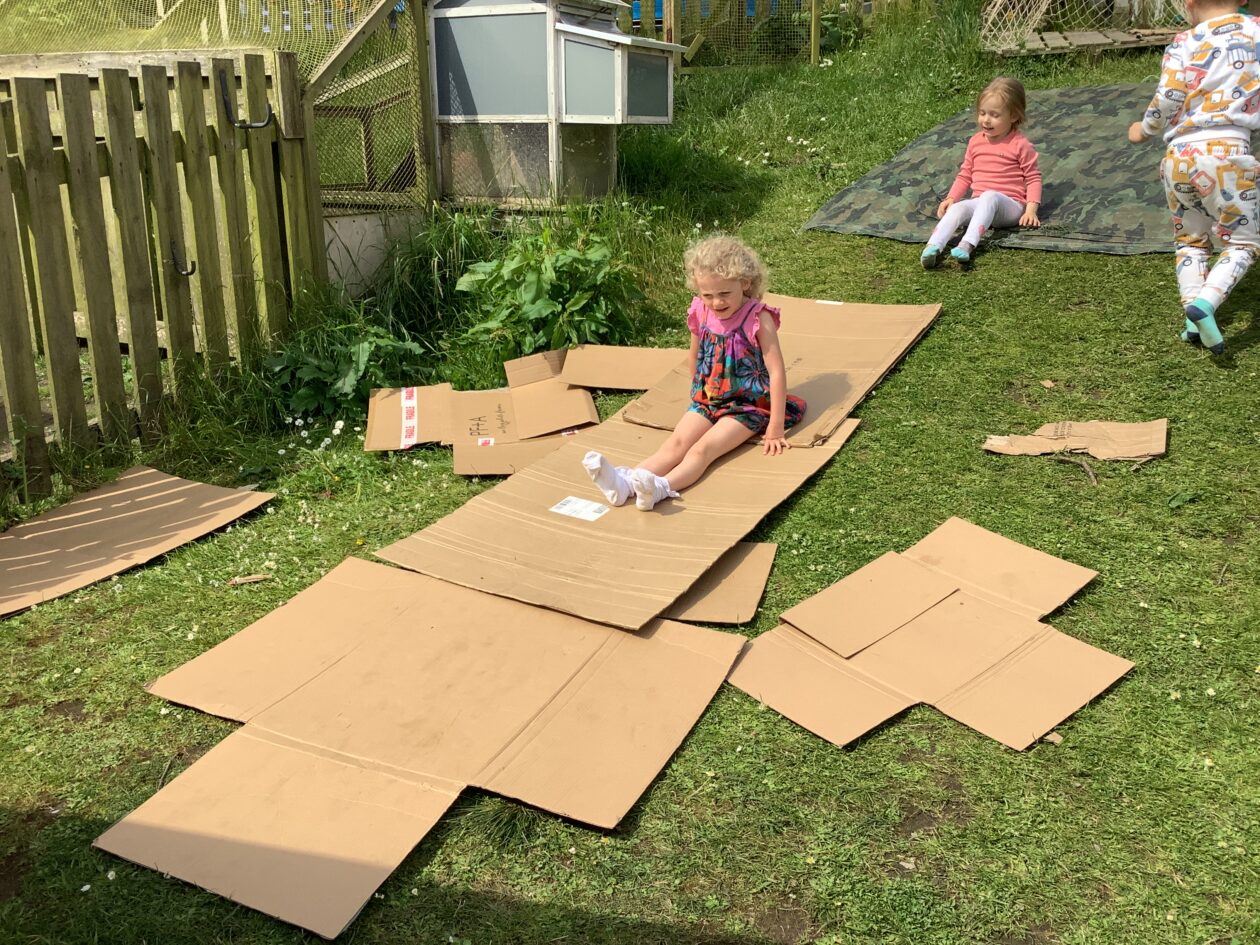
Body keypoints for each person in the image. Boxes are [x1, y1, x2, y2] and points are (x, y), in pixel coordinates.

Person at [582, 235, 806, 512]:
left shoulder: (758, 318)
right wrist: (697, 393)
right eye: (707, 295)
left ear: (745, 283)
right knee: (675, 444)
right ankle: (624, 484)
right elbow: (695, 354)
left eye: (724, 294)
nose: (716, 302)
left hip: (746, 405)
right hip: (708, 398)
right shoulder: (700, 310)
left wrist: (774, 426)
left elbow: (776, 370)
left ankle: (661, 488)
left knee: (702, 450)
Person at [1128, 0, 1260, 355]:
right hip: (1227, 155)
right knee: (1243, 242)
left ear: (1187, 3)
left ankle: (1192, 321)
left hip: (1178, 159)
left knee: (1191, 241)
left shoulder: (1183, 41)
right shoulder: (1256, 30)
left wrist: (1144, 129)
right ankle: (1205, 304)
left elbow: (1168, 96)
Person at [922, 77, 1043, 269]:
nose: (986, 120)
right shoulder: (976, 141)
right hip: (981, 205)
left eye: (994, 115)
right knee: (958, 208)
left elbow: (1033, 178)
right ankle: (933, 247)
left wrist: (1030, 210)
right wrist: (951, 198)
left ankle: (967, 244)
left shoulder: (1020, 144)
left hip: (1010, 206)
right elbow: (965, 174)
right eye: (982, 113)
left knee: (990, 196)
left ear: (1013, 116)